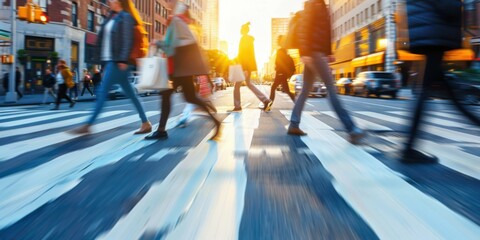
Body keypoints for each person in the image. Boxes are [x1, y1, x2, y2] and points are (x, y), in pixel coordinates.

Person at [401, 0, 480, 163]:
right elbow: (447, 6)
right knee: (439, 94)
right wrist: (459, 8)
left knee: (447, 93)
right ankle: (408, 149)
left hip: (427, 29)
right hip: (433, 30)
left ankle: (408, 147)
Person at [287, 0, 364, 144]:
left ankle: (294, 124)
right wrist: (304, 53)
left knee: (305, 90)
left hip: (315, 52)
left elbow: (324, 31)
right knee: (330, 88)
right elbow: (305, 29)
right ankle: (352, 129)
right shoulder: (314, 3)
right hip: (313, 53)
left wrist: (328, 52)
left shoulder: (321, 4)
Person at [71, 0, 151, 134]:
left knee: (102, 92)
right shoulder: (112, 16)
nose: (109, 1)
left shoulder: (125, 17)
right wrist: (104, 65)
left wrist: (123, 60)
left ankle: (88, 124)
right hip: (111, 61)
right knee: (131, 94)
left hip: (119, 61)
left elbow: (126, 40)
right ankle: (145, 122)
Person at [146, 1, 221, 140]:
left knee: (166, 97)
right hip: (183, 69)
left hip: (174, 69)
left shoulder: (176, 22)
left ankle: (161, 130)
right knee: (189, 97)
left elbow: (170, 46)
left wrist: (157, 43)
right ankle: (215, 121)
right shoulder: (185, 26)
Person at [230, 22, 273, 112]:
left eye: (241, 29)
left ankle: (237, 106)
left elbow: (244, 55)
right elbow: (248, 55)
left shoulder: (244, 39)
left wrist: (245, 68)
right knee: (248, 84)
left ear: (243, 30)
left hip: (244, 67)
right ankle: (266, 101)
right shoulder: (249, 39)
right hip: (247, 66)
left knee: (237, 86)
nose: (240, 31)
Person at [270, 35, 296, 104]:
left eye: (279, 41)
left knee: (273, 88)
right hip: (284, 74)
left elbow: (278, 63)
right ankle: (296, 102)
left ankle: (269, 104)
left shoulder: (280, 51)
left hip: (280, 73)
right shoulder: (285, 51)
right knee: (287, 90)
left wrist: (277, 69)